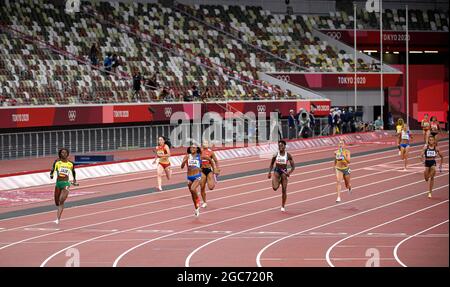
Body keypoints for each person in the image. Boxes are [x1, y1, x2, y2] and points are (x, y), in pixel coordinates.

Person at [181, 144, 215, 217]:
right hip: (189, 177)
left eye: (194, 148)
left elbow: (210, 160)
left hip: (197, 176)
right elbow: (182, 167)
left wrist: (214, 169)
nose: (192, 148)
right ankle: (196, 208)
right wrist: (184, 162)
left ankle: (198, 200)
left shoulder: (200, 156)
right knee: (192, 194)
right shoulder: (187, 156)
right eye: (191, 147)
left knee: (193, 189)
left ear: (197, 149)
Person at [50, 148, 78, 224]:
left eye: (65, 153)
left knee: (61, 200)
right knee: (57, 202)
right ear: (60, 154)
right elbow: (53, 169)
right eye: (62, 153)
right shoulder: (57, 162)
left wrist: (74, 179)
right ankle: (58, 217)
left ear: (67, 154)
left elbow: (73, 171)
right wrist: (51, 175)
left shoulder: (70, 163)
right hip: (58, 183)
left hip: (66, 183)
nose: (64, 154)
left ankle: (57, 219)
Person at [268, 140, 295, 212]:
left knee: (284, 190)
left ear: (284, 146)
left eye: (281, 145)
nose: (280, 147)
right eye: (279, 146)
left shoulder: (288, 155)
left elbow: (293, 166)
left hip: (284, 172)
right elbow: (271, 164)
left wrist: (289, 172)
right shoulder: (276, 154)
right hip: (277, 171)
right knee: (274, 188)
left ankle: (283, 206)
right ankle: (279, 182)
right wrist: (269, 172)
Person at [199, 140, 220, 208]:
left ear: (208, 144)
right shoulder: (199, 152)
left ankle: (213, 178)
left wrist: (217, 169)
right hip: (202, 171)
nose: (204, 144)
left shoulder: (211, 152)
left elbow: (216, 161)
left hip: (209, 170)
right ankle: (204, 202)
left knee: (211, 187)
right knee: (202, 187)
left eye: (206, 143)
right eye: (203, 143)